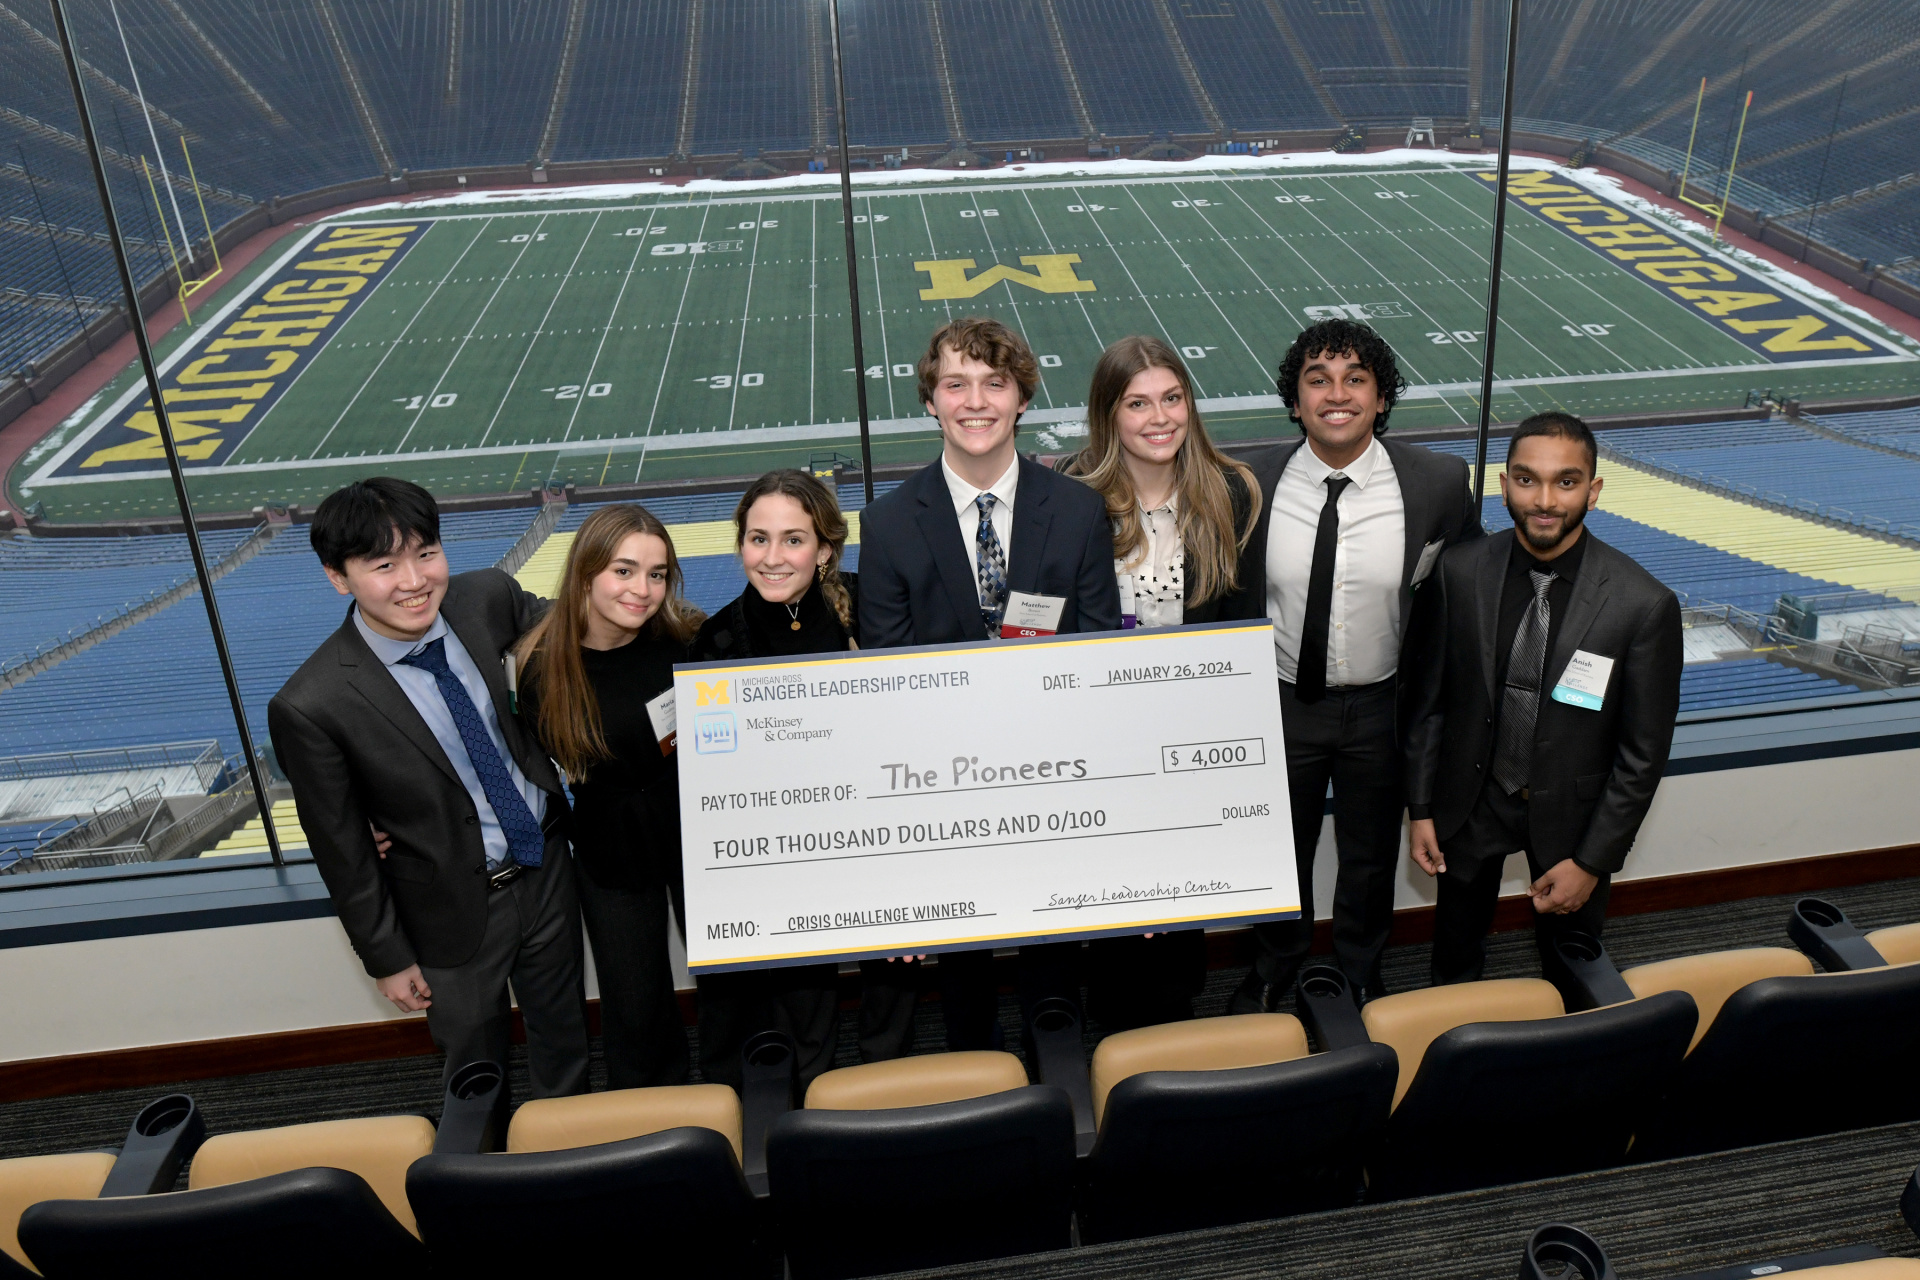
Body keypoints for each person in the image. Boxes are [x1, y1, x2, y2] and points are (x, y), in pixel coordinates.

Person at [269, 478, 589, 1098]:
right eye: (383, 564)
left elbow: (575, 635)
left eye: (426, 553)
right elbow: (343, 851)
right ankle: (480, 1182)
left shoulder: (485, 599)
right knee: (474, 1072)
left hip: (546, 864)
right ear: (339, 577)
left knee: (566, 1038)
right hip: (445, 909)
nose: (414, 580)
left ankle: (572, 1158)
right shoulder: (312, 704)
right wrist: (385, 956)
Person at [858, 315, 1121, 1051]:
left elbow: (1098, 658)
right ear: (931, 400)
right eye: (956, 384)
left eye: (994, 383)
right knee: (964, 992)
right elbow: (885, 690)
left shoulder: (1075, 511)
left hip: (1053, 781)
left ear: (1022, 399)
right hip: (944, 794)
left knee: (1055, 984)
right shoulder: (885, 526)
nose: (976, 401)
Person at [1227, 318, 1481, 1012]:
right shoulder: (1245, 480)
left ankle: (1360, 969)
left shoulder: (1437, 483)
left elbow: (1465, 595)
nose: (1337, 394)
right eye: (1319, 379)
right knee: (1279, 852)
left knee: (1370, 857)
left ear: (1380, 396)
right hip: (1281, 701)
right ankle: (1276, 969)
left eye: (1355, 379)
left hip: (1382, 706)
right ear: (1296, 396)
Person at [1407, 412, 1682, 996]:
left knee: (1575, 972)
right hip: (1469, 803)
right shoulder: (1458, 572)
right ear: (1504, 484)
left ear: (1594, 490)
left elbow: (1642, 755)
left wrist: (1591, 861)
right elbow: (1430, 702)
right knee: (1453, 963)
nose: (1545, 500)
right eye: (1527, 480)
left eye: (1566, 481)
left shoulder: (1643, 604)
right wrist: (1422, 806)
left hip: (1574, 823)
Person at [691, 469, 920, 1092]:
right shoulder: (714, 641)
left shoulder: (875, 604)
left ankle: (893, 1104)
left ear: (824, 549)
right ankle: (813, 1116)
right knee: (803, 1016)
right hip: (787, 855)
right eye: (757, 539)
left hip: (880, 836)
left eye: (793, 540)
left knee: (892, 997)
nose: (771, 558)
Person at [1060, 335, 1262, 1029]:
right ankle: (1113, 1060)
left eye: (1171, 398)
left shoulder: (1230, 492)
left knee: (1177, 936)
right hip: (1102, 750)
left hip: (1190, 750)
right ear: (1108, 415)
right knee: (1115, 934)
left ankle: (1176, 1070)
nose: (1159, 417)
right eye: (1137, 402)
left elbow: (1241, 630)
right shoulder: (1070, 498)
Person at [513, 504, 703, 1089]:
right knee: (635, 1000)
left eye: (657, 574)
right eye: (624, 571)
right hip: (611, 848)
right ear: (586, 572)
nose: (642, 590)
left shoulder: (689, 638)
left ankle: (745, 1093)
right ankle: (652, 1120)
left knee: (731, 983)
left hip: (699, 834)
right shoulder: (541, 667)